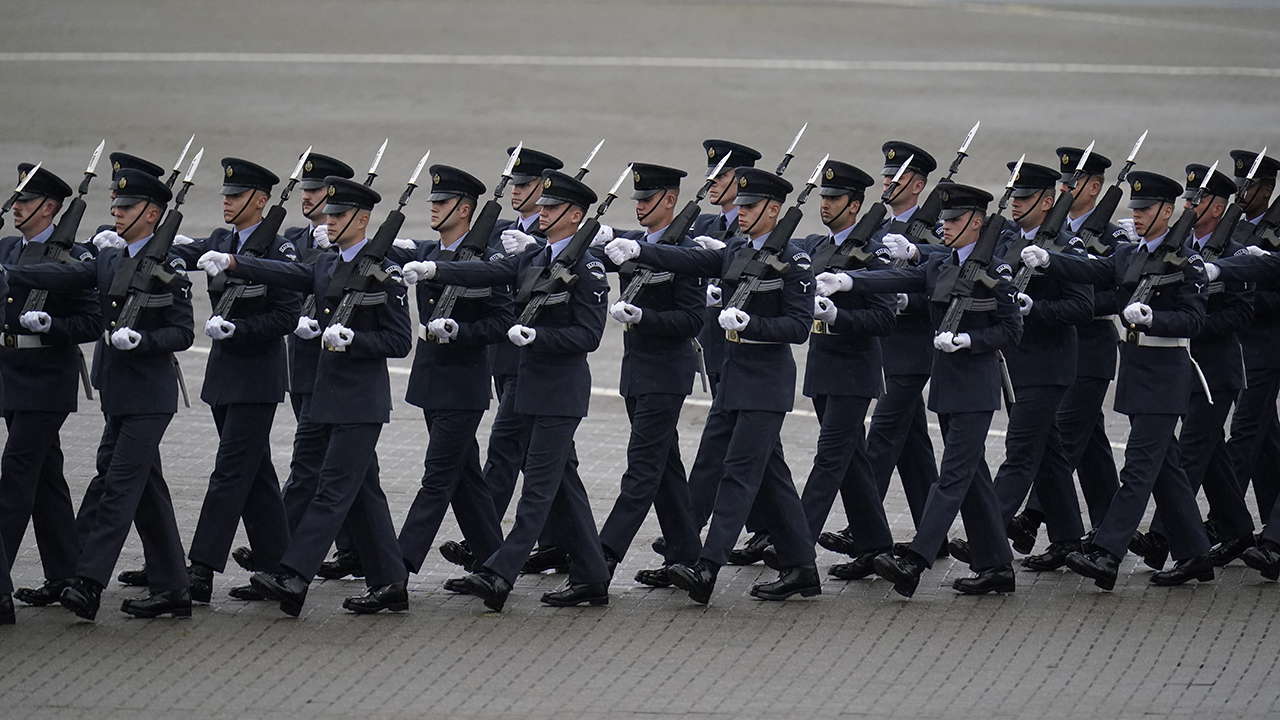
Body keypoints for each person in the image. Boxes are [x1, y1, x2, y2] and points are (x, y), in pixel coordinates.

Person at [605, 167, 820, 604]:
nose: (738, 213)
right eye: (738, 205)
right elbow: (694, 260)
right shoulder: (738, 247)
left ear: (774, 210)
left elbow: (798, 327)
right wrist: (642, 251)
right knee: (768, 477)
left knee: (738, 475)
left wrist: (752, 323)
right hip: (735, 381)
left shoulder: (793, 259)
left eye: (749, 207)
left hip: (766, 383)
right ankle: (803, 568)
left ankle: (707, 566)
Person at [202, 176, 413, 616]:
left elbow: (399, 340)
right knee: (360, 492)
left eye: (339, 215)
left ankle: (294, 575)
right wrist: (235, 263)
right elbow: (289, 273)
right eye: (329, 215)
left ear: (362, 218)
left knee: (332, 489)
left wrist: (353, 339)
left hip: (359, 401)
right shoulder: (327, 263)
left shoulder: (384, 268)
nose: (330, 222)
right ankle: (391, 582)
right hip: (323, 396)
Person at [408, 169, 612, 612]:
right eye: (542, 205)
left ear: (575, 216)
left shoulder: (589, 267)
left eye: (552, 208)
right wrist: (435, 267)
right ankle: (593, 577)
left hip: (560, 393)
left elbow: (589, 336)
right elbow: (489, 270)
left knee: (537, 489)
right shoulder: (535, 256)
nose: (541, 212)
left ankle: (500, 573)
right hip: (526, 389)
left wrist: (539, 338)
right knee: (561, 485)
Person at [5, 168, 195, 619]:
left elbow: (183, 332)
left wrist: (144, 342)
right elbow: (68, 277)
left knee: (118, 487)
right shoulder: (111, 258)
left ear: (152, 214)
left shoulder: (168, 265)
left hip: (150, 398)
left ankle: (87, 583)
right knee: (146, 490)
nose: (115, 212)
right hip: (119, 394)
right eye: (114, 204)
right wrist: (9, 271)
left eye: (125, 207)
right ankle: (174, 588)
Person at [823, 183, 1022, 597]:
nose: (945, 227)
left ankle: (916, 558)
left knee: (952, 476)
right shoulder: (941, 266)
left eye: (953, 220)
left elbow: (1011, 329)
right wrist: (848, 282)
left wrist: (972, 342)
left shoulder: (996, 271)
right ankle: (997, 564)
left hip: (977, 387)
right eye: (944, 220)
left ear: (977, 223)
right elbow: (900, 277)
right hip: (947, 386)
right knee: (973, 478)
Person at [1020, 170, 1214, 590]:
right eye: (1136, 209)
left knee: (1139, 470)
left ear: (1168, 211)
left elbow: (1196, 319)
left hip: (1166, 374)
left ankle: (1108, 553)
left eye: (1146, 209)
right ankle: (1196, 554)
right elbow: (1097, 271)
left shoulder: (1186, 261)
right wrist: (1052, 260)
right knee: (1165, 470)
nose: (1138, 215)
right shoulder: (1133, 254)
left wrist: (1155, 319)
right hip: (1137, 371)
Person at [176, 158, 301, 604]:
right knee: (255, 473)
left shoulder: (280, 252)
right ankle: (278, 568)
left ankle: (200, 570)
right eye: (225, 195)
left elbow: (287, 315)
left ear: (260, 202)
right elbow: (184, 253)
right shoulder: (219, 240)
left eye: (235, 196)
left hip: (257, 378)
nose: (226, 202)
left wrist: (239, 330)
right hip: (223, 378)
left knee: (229, 473)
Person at [390, 165, 508, 586]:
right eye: (434, 202)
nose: (434, 209)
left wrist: (462, 331)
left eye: (442, 203)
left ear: (466, 209)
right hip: (430, 380)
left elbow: (503, 323)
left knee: (436, 478)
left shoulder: (490, 261)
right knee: (465, 480)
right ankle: (494, 566)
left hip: (463, 383)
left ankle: (395, 570)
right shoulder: (427, 252)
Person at [591, 163, 704, 586]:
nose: (639, 207)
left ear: (670, 201)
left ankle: (601, 557)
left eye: (647, 199)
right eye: (636, 200)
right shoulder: (631, 245)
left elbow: (692, 319)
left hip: (665, 377)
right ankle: (685, 557)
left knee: (641, 470)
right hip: (636, 376)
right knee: (665, 467)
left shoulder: (686, 252)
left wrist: (645, 316)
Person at [0, 163, 100, 607]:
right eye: (16, 200)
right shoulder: (7, 248)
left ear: (50, 208)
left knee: (16, 475)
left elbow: (93, 321)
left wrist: (53, 325)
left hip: (45, 381)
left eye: (24, 201)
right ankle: (66, 574)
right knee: (45, 477)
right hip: (9, 375)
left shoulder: (74, 256)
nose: (16, 207)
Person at [793, 159, 897, 580]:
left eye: (834, 198)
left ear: (855, 205)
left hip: (855, 372)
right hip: (823, 368)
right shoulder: (820, 248)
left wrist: (839, 316)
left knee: (829, 461)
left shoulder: (873, 252)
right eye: (824, 197)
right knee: (852, 462)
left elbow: (885, 319)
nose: (826, 204)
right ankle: (876, 548)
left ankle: (795, 552)